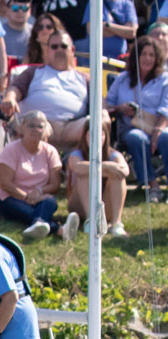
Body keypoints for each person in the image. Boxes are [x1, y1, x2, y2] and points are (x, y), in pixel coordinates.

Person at [1, 28, 102, 149]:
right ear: (47, 51)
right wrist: (10, 97)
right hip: (39, 123)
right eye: (54, 47)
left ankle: (90, 165)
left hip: (72, 126)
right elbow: (15, 89)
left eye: (64, 46)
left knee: (98, 122)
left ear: (72, 50)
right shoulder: (33, 72)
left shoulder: (86, 79)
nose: (59, 50)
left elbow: (100, 105)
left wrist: (103, 114)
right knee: (37, 124)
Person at [105, 36, 167, 193]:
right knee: (136, 138)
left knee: (166, 137)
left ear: (157, 58)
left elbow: (166, 107)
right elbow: (106, 104)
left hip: (158, 125)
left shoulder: (164, 79)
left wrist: (158, 130)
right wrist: (120, 107)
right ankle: (152, 185)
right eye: (144, 54)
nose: (147, 58)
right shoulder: (122, 79)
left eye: (151, 55)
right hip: (131, 127)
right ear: (136, 57)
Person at [0, 110, 63, 238]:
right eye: (31, 125)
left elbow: (55, 185)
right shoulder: (11, 150)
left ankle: (38, 224)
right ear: (22, 128)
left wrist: (39, 191)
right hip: (9, 198)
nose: (35, 129)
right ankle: (57, 229)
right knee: (30, 211)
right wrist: (27, 197)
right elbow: (5, 184)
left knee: (51, 201)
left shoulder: (50, 151)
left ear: (45, 130)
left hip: (38, 198)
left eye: (40, 126)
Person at [63, 118, 128, 239]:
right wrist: (107, 167)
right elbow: (77, 167)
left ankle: (116, 224)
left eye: (100, 134)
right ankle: (91, 221)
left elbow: (124, 171)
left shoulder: (113, 154)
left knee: (118, 178)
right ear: (85, 136)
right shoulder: (76, 154)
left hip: (105, 205)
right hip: (79, 206)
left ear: (105, 136)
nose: (96, 138)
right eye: (91, 134)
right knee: (85, 176)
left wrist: (102, 170)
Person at [73, 0, 136, 66]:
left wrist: (108, 26)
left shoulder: (127, 4)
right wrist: (122, 31)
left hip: (118, 63)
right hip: (95, 63)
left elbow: (132, 32)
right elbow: (92, 30)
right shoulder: (95, 2)